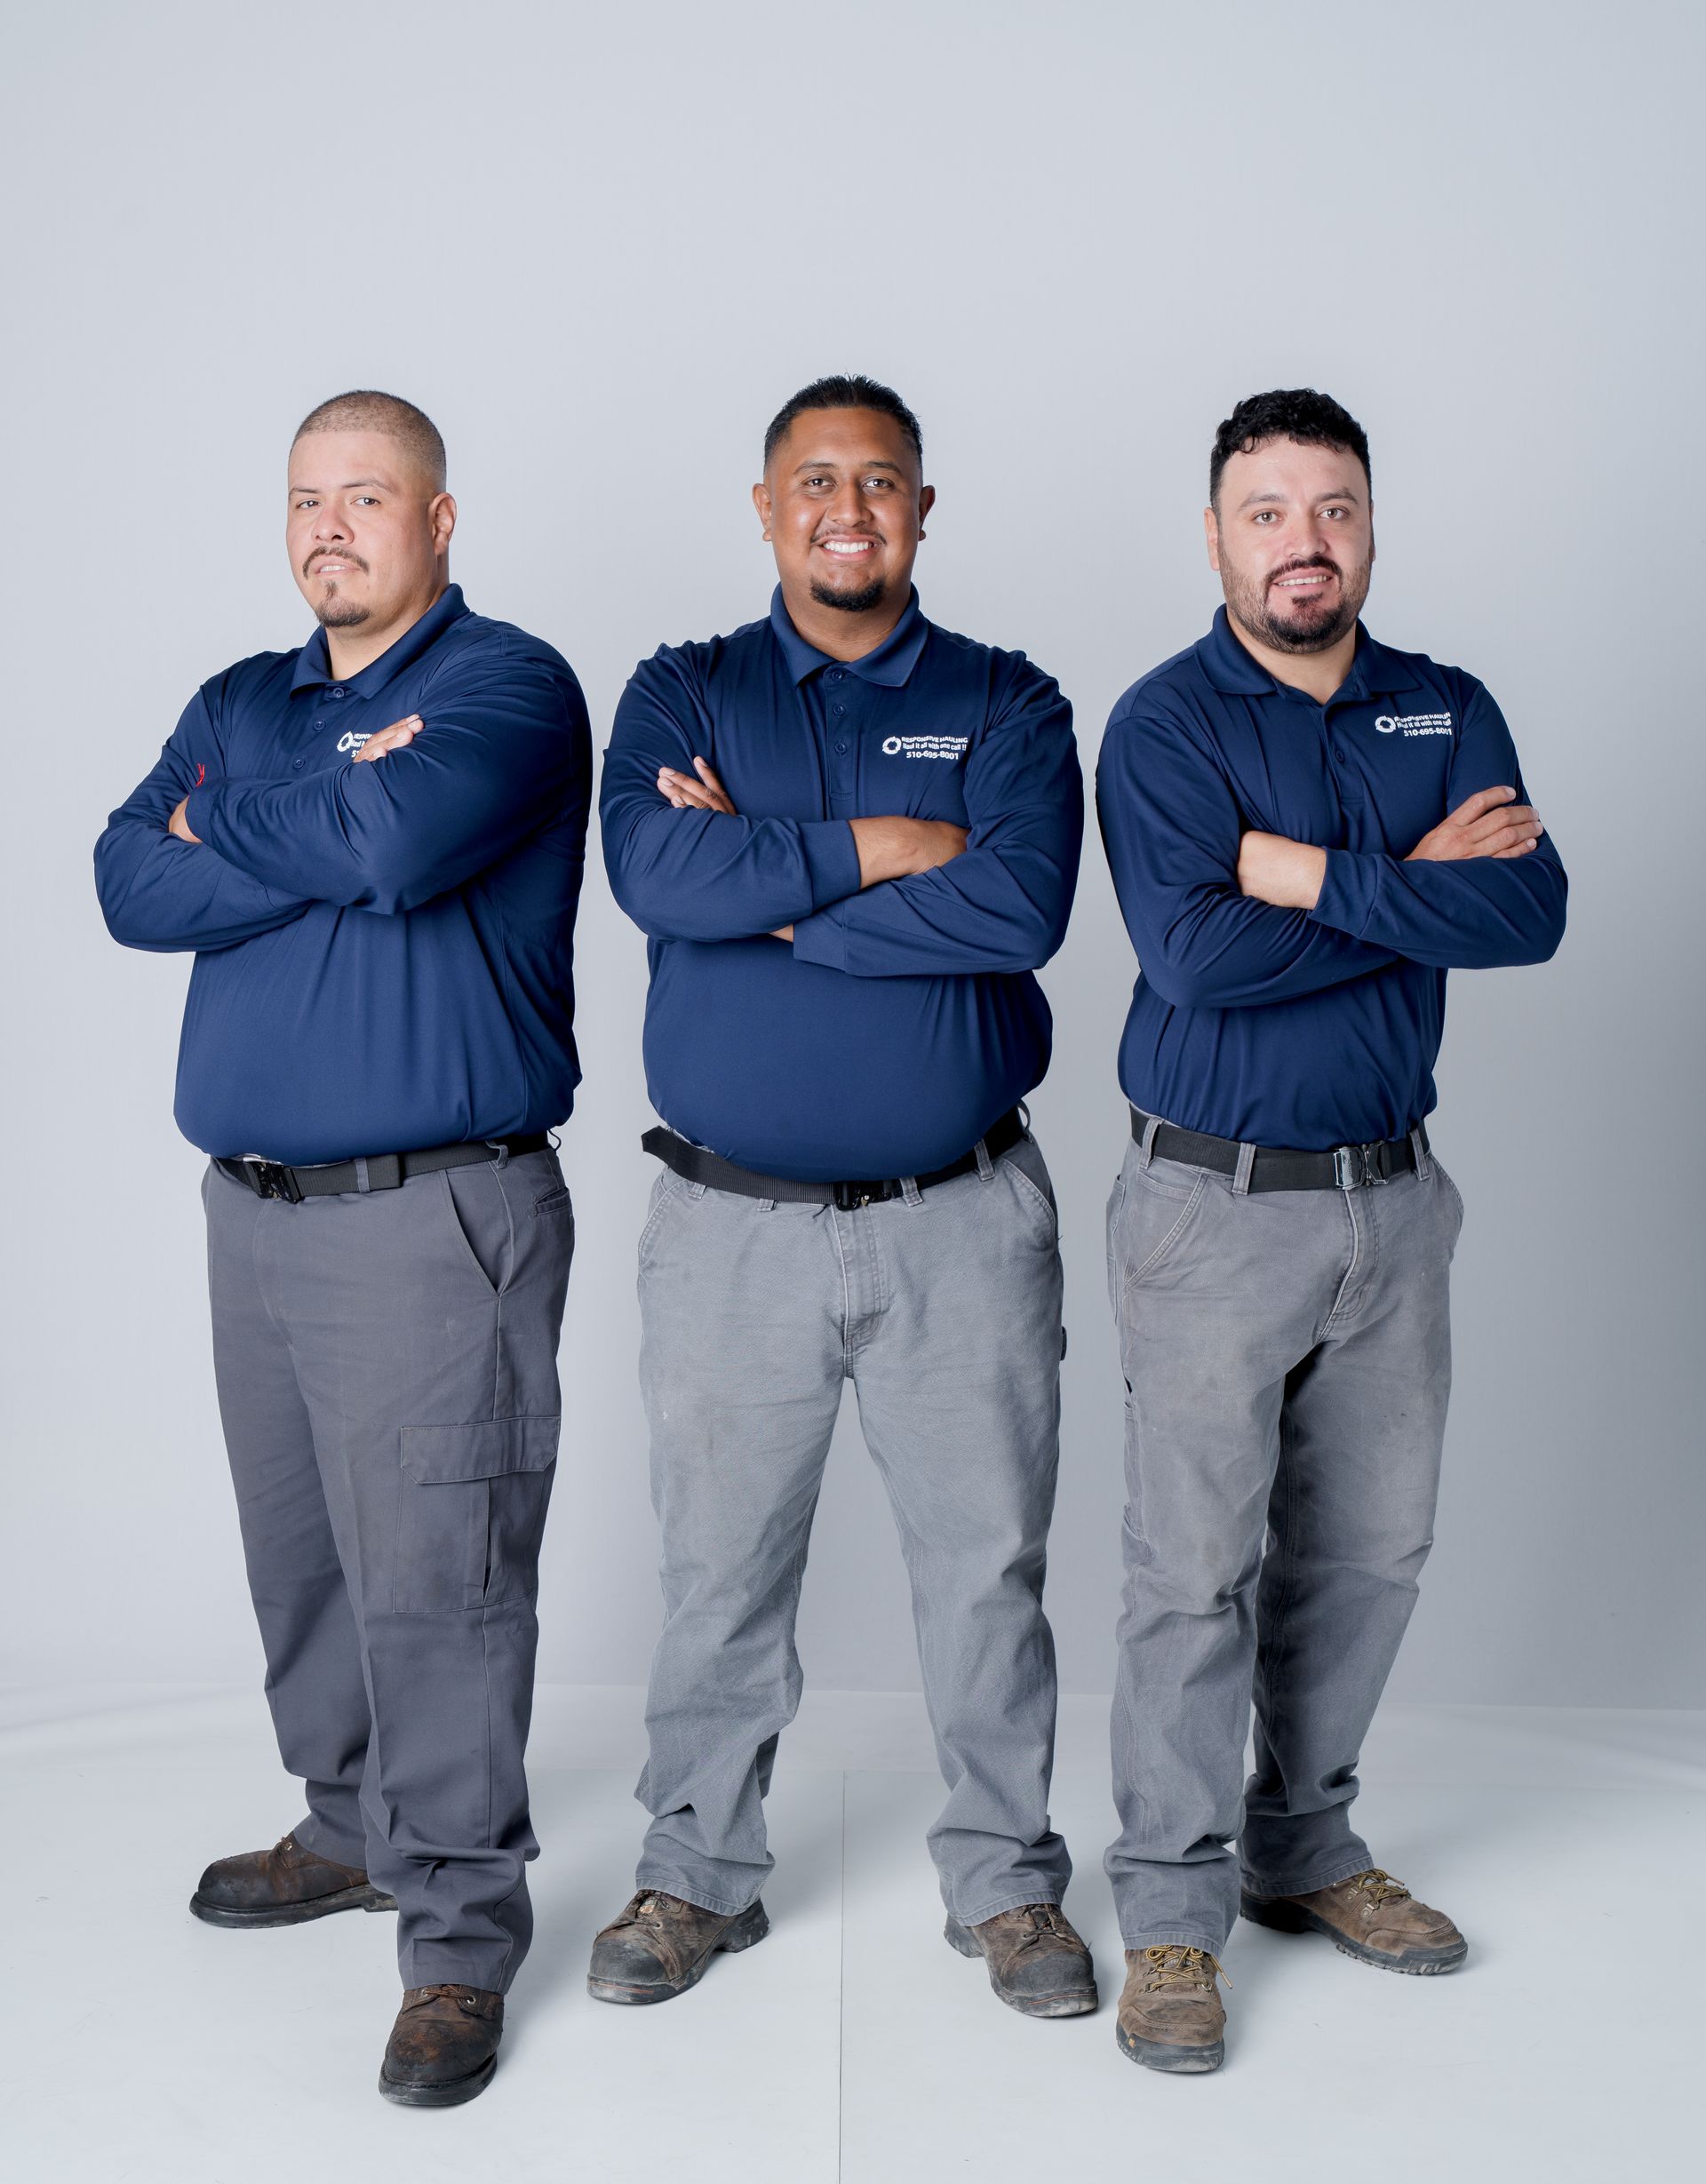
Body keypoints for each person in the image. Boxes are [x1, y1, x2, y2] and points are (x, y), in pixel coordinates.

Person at [94, 391, 592, 2108]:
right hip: (254, 1213)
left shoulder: (510, 685)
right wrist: (324, 804)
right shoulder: (244, 700)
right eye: (307, 498)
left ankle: (458, 1934)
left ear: (437, 521)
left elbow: (395, 848)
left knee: (438, 1582)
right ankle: (352, 1822)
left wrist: (237, 826)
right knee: (301, 1560)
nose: (330, 527)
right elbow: (123, 879)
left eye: (366, 497)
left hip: (431, 1215)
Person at [593, 374, 1094, 2021]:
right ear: (767, 508)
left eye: (879, 481)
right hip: (729, 1229)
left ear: (922, 509)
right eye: (815, 481)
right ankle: (694, 1870)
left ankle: (1007, 1879)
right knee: (718, 1568)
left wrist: (775, 890)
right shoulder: (684, 689)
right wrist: (892, 842)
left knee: (986, 1566)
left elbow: (1020, 906)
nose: (847, 509)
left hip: (962, 1219)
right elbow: (656, 873)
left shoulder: (1008, 699)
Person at [1095, 387, 1566, 2074]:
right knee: (1192, 1572)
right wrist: (1414, 877)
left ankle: (1302, 1845)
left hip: (1395, 1203)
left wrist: (1306, 871)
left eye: (1334, 508)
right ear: (1216, 535)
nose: (1305, 541)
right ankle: (1170, 1908)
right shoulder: (1163, 724)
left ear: (1369, 526)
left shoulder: (1443, 704)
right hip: (1208, 1209)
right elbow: (1197, 955)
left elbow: (1530, 908)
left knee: (1372, 1552)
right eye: (1269, 511)